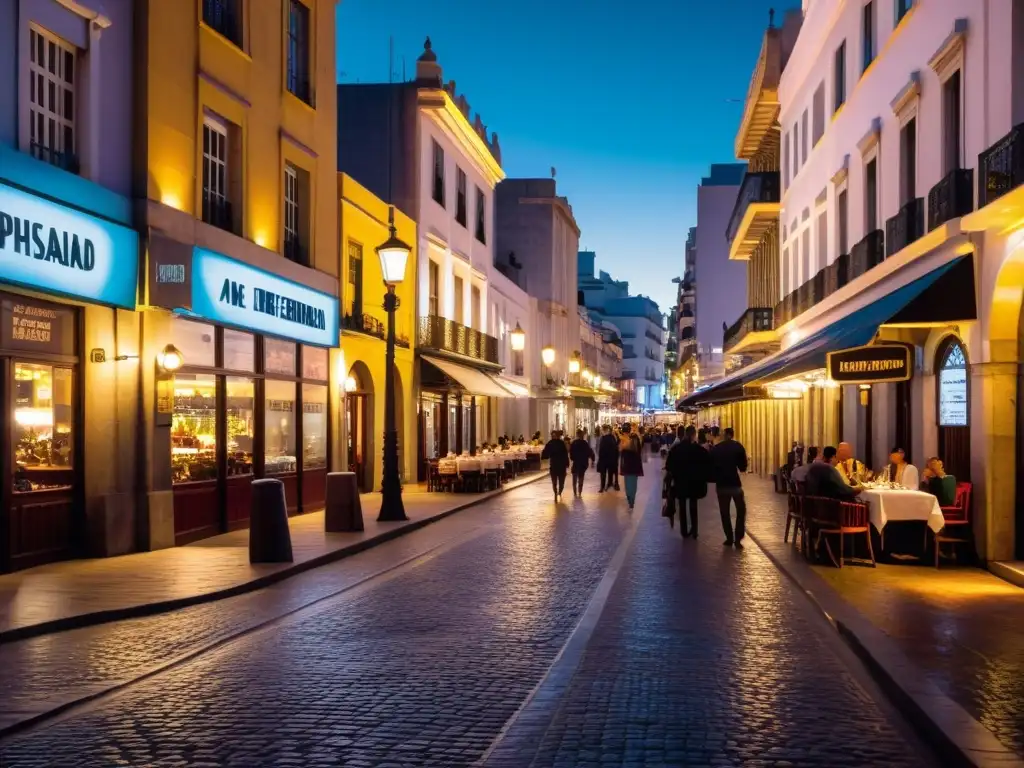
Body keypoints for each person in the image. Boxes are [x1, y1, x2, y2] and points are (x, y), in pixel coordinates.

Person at [666, 424, 710, 539]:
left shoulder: (676, 449)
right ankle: (694, 530)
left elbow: (669, 466)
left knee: (682, 505)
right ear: (694, 435)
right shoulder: (699, 450)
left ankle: (684, 531)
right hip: (695, 483)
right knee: (693, 505)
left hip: (680, 482)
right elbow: (707, 464)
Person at [710, 427, 748, 548]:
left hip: (721, 485)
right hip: (735, 484)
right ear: (732, 434)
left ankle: (729, 537)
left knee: (724, 512)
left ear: (725, 434)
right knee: (741, 510)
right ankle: (738, 538)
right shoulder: (738, 446)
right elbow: (743, 467)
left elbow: (710, 466)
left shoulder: (716, 449)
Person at [618, 423, 644, 510]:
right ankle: (632, 499)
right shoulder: (635, 438)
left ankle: (630, 498)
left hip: (627, 465)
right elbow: (640, 449)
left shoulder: (624, 441)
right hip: (635, 466)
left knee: (628, 483)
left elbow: (620, 450)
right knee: (633, 483)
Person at [541, 430, 570, 501]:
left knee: (558, 482)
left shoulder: (554, 443)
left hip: (557, 465)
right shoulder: (557, 443)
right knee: (557, 482)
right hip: (557, 465)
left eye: (554, 435)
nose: (553, 437)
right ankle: (557, 492)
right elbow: (565, 454)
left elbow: (545, 453)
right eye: (552, 435)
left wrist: (543, 455)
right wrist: (567, 463)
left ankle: (558, 492)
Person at [570, 429, 596, 497]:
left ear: (577, 435)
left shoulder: (574, 443)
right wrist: (592, 460)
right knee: (581, 477)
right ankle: (580, 492)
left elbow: (571, 454)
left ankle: (575, 493)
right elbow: (590, 452)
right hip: (583, 463)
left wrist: (573, 458)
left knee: (574, 478)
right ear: (582, 435)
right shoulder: (585, 443)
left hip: (576, 463)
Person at [597, 424, 620, 492]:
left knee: (603, 473)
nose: (601, 431)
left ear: (605, 430)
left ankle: (603, 486)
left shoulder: (605, 438)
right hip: (610, 459)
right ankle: (607, 485)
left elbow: (602, 449)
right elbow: (615, 448)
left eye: (602, 430)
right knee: (609, 473)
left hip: (605, 459)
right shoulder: (611, 437)